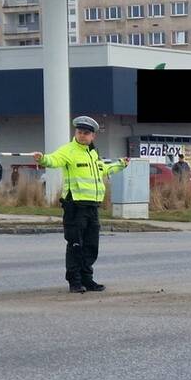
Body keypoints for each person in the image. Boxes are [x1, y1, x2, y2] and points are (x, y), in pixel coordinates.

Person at [33, 116, 128, 294]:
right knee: (76, 244)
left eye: (86, 133)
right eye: (79, 132)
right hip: (75, 206)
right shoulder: (68, 150)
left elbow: (103, 169)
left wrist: (121, 165)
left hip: (92, 207)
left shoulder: (92, 154)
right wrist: (42, 159)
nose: (82, 135)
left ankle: (87, 279)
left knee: (91, 245)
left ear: (93, 136)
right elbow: (54, 160)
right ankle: (75, 282)